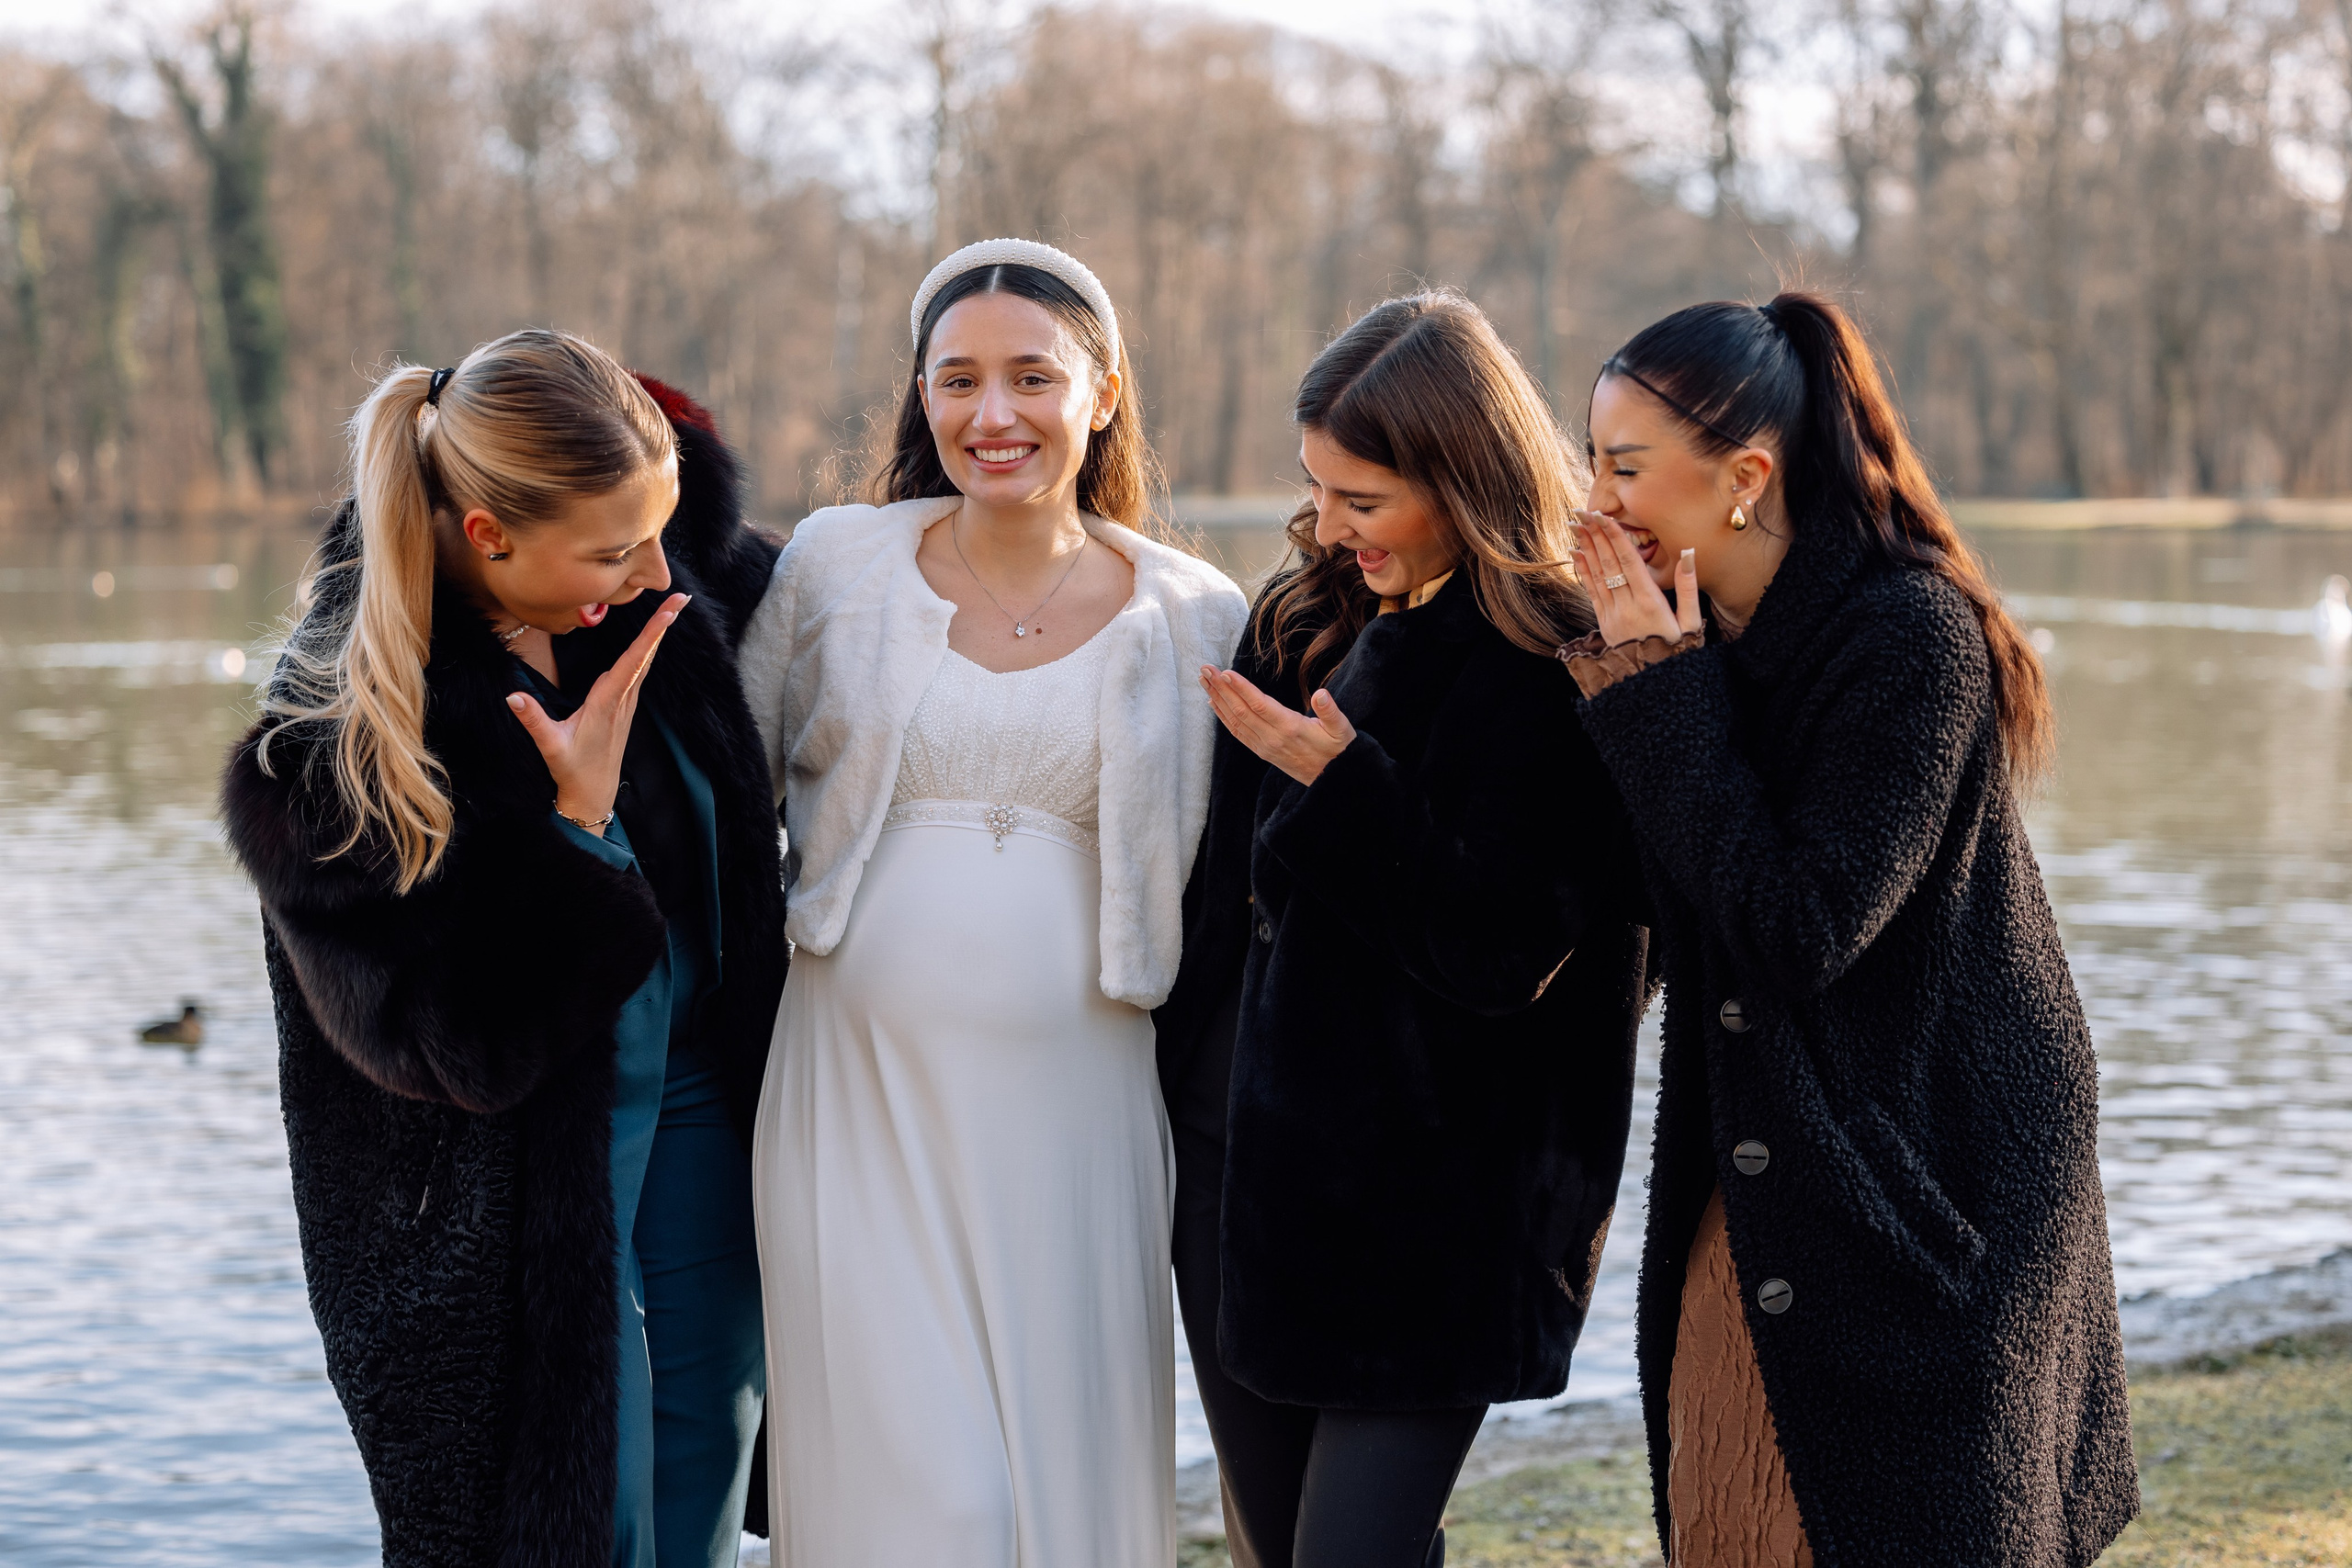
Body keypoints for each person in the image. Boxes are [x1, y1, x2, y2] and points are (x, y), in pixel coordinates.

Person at [1561, 292, 2137, 1566]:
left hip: (1935, 1168)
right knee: (1728, 1509)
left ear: (1745, 479)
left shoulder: (1911, 639)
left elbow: (1799, 929)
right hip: (1762, 1154)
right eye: (1586, 459)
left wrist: (1659, 693)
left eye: (1623, 467)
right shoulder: (1695, 635)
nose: (1591, 501)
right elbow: (1662, 913)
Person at [220, 330, 786, 1568]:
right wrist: (576, 830)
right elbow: (450, 1044)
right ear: (488, 540)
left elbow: (890, 602)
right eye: (614, 551)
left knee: (699, 1490)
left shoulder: (654, 567)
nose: (657, 575)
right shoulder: (331, 739)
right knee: (575, 1524)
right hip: (496, 1207)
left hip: (703, 1125)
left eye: (663, 530)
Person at [737, 238, 1248, 1568]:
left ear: (1104, 387)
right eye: (957, 381)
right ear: (921, 396)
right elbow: (721, 780)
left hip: (1081, 1113)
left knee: (1052, 1496)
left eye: (1032, 377)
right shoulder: (836, 568)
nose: (993, 415)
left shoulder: (1198, 615)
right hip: (859, 1094)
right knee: (931, 1503)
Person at [1156, 290, 1650, 1568]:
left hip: (1441, 1220)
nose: (1328, 527)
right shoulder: (1301, 618)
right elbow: (1226, 910)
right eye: (1318, 490)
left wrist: (1347, 794)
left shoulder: (1557, 659)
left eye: (1362, 501)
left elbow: (1507, 952)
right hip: (1241, 1186)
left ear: (1462, 477)